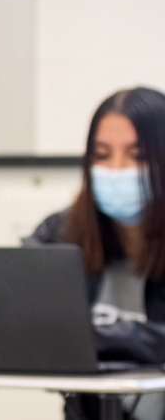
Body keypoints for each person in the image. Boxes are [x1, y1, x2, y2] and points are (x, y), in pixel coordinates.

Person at [26, 86, 165, 420]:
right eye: (102, 155)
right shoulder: (57, 234)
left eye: (138, 155)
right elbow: (23, 322)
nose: (117, 169)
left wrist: (98, 335)